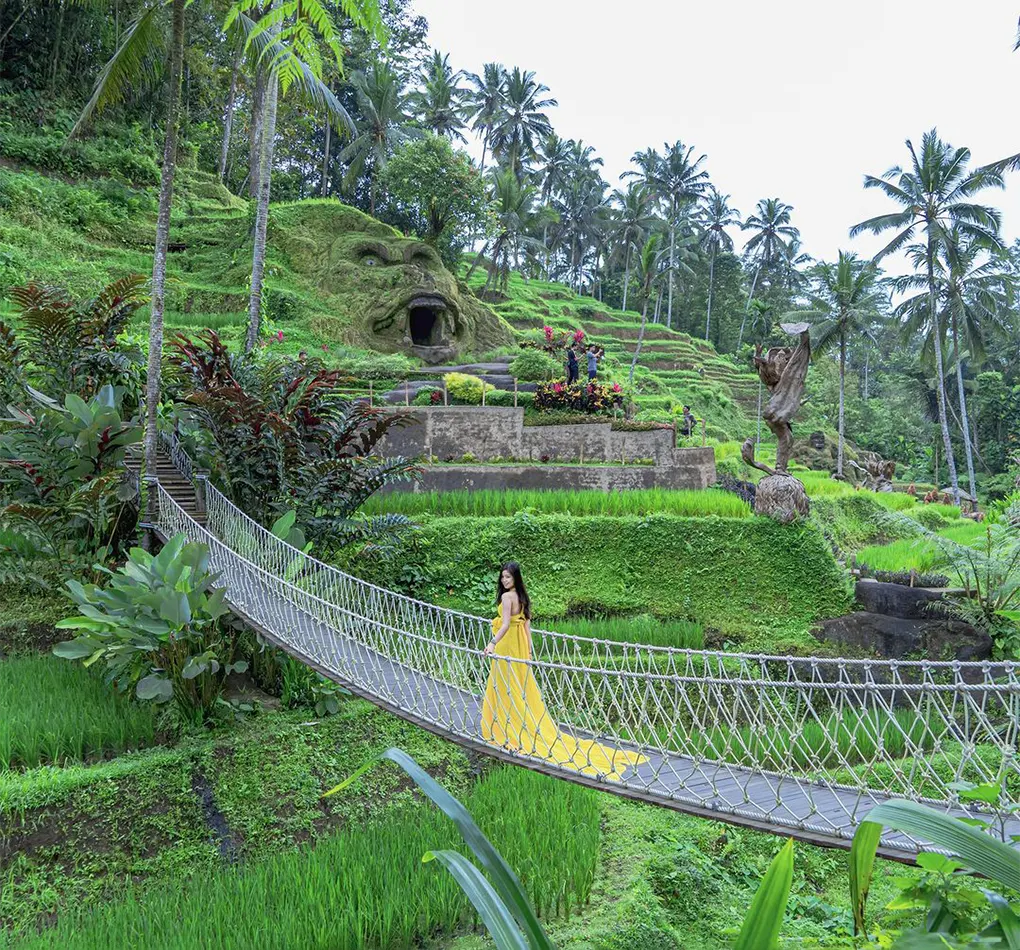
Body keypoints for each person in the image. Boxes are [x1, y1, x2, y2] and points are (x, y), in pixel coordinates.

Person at [481, 563, 647, 781]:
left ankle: (506, 727)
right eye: (502, 577)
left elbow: (504, 626)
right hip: (519, 647)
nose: (504, 581)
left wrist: (492, 643)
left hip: (506, 645)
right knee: (518, 686)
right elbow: (526, 628)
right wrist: (529, 652)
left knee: (504, 685)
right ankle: (516, 724)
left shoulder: (506, 599)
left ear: (515, 578)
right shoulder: (522, 597)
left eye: (508, 578)